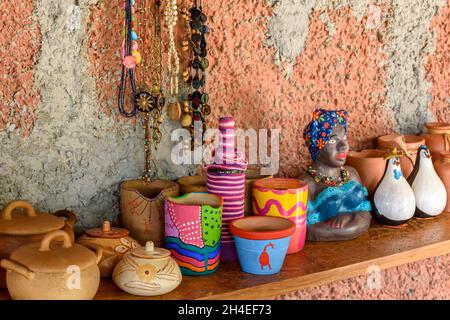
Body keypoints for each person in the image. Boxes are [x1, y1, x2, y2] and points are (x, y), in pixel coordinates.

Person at [302, 109, 372, 241]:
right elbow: (308, 230)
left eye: (345, 138)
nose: (343, 146)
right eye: (333, 141)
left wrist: (347, 216)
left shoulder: (351, 174)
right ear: (317, 147)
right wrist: (354, 225)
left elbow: (365, 215)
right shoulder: (307, 183)